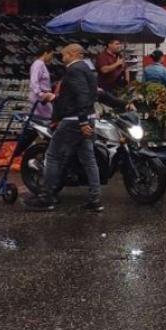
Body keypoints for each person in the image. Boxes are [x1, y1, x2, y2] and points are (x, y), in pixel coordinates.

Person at [25, 43, 102, 213]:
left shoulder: (74, 70)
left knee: (53, 156)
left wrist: (82, 122)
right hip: (87, 117)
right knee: (88, 159)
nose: (62, 57)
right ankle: (95, 199)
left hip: (73, 121)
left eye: (64, 54)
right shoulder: (87, 69)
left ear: (74, 53)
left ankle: (47, 197)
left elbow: (82, 95)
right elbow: (94, 92)